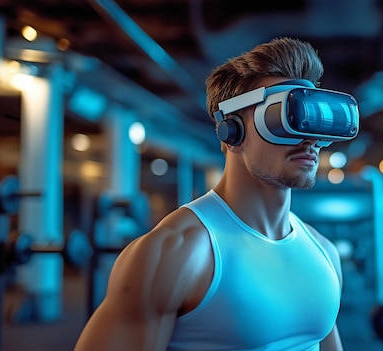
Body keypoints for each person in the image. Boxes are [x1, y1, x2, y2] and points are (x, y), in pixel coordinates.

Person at [75, 37, 359, 351]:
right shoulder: (174, 253)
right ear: (232, 130)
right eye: (285, 119)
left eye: (312, 122)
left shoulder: (324, 254)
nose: (309, 140)